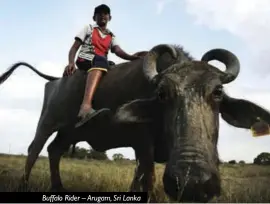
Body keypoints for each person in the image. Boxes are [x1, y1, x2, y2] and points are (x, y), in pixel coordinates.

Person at [63, 4, 141, 127]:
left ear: (110, 17)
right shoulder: (88, 28)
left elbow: (118, 51)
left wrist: (132, 57)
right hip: (85, 58)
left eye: (105, 14)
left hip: (101, 62)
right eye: (99, 14)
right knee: (101, 60)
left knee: (114, 69)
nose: (102, 16)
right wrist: (71, 62)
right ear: (94, 17)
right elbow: (74, 48)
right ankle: (86, 106)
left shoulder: (111, 36)